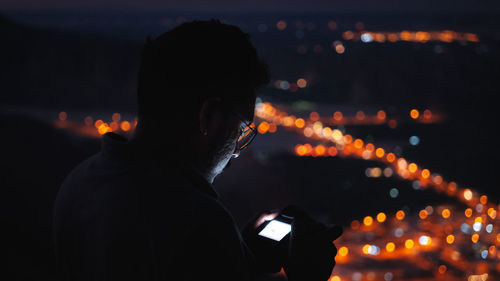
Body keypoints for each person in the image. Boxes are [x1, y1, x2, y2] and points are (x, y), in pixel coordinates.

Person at [53, 19, 342, 281]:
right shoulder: (196, 221)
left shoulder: (80, 183)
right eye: (241, 130)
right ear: (209, 116)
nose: (237, 152)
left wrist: (244, 257)